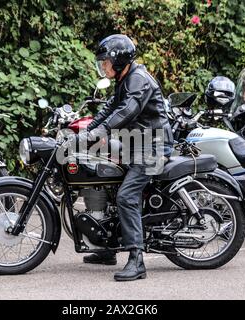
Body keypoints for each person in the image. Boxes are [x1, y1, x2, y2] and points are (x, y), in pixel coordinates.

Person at [76, 34, 173, 281]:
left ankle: (137, 260)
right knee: (100, 172)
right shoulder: (125, 79)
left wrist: (100, 131)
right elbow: (110, 108)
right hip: (135, 143)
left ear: (119, 61)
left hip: (153, 146)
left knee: (126, 195)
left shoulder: (138, 79)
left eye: (106, 61)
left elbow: (127, 110)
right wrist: (87, 131)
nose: (103, 66)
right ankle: (108, 248)